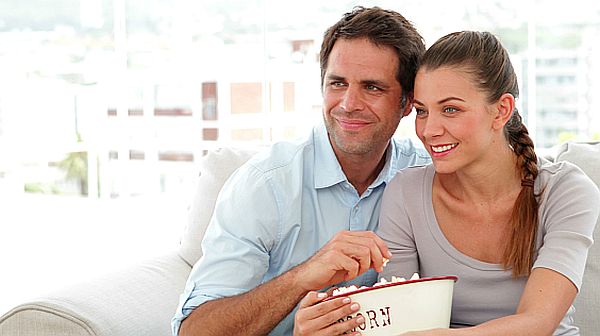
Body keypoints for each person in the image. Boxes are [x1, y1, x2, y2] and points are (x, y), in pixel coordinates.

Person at [171, 6, 430, 336]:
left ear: (407, 103)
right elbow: (193, 331)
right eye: (337, 83)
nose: (349, 103)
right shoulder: (264, 186)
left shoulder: (424, 175)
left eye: (372, 87)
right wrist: (301, 277)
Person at [375, 31, 599, 335]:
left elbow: (538, 323)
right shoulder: (406, 192)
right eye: (422, 111)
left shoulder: (566, 191)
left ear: (501, 110)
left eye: (451, 109)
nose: (429, 130)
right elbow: (398, 320)